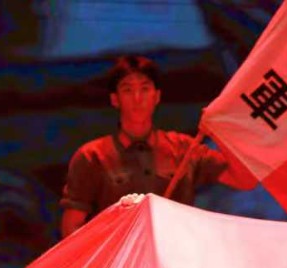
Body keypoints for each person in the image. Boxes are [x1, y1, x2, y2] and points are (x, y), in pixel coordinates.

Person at [59, 54, 256, 238]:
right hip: (118, 259)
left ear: (157, 96)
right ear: (115, 99)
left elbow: (245, 179)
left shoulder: (184, 149)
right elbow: (72, 226)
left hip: (175, 257)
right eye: (127, 90)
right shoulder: (93, 156)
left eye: (145, 89)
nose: (137, 98)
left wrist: (220, 132)